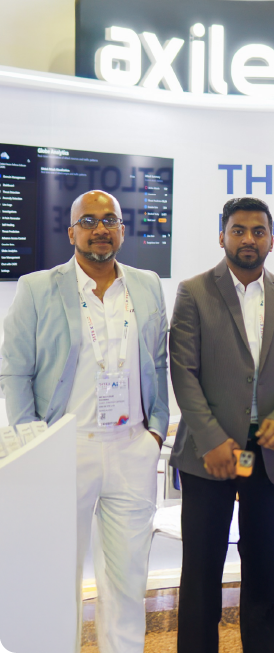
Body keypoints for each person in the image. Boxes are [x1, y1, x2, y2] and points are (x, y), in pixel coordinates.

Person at [0, 190, 169, 653]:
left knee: (128, 577)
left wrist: (156, 429)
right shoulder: (39, 287)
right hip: (65, 447)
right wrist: (35, 442)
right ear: (71, 231)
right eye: (89, 220)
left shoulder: (147, 284)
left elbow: (159, 360)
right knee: (57, 573)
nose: (100, 228)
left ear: (121, 229)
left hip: (133, 445)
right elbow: (14, 369)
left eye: (109, 219)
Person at [169, 196, 274, 653]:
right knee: (201, 572)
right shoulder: (194, 292)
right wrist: (212, 439)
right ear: (222, 236)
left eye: (258, 231)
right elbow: (183, 371)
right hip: (208, 454)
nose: (248, 239)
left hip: (267, 453)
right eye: (239, 230)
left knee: (262, 571)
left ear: (271, 240)